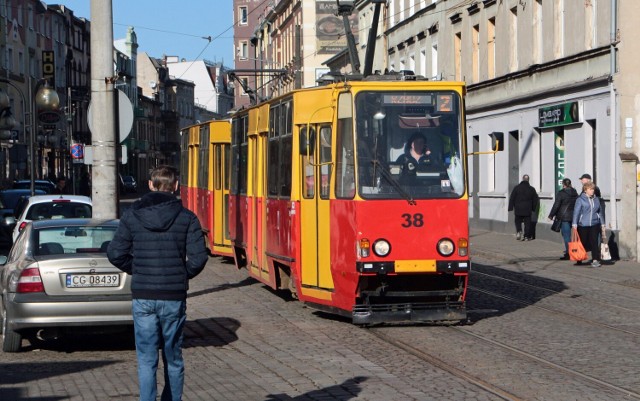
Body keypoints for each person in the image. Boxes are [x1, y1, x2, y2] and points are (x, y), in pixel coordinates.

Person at [107, 165, 208, 401]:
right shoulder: (187, 217)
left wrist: (138, 269)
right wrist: (182, 275)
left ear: (150, 185)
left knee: (146, 358)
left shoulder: (132, 215)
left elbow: (115, 253)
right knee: (173, 356)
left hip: (143, 295)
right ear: (176, 186)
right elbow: (199, 258)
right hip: (173, 295)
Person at [572, 181, 605, 267]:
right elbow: (576, 212)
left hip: (594, 223)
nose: (592, 191)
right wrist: (574, 224)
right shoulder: (580, 199)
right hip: (583, 224)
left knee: (594, 242)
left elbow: (600, 212)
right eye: (590, 189)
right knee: (583, 242)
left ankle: (595, 260)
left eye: (593, 189)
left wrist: (602, 223)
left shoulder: (596, 199)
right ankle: (579, 258)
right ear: (585, 190)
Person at [548, 178, 579, 260]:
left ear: (563, 184)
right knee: (573, 235)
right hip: (574, 216)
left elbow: (556, 205)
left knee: (566, 236)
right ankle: (574, 251)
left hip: (564, 217)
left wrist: (551, 215)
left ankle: (569, 253)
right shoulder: (575, 193)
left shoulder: (561, 193)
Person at [508, 174, 539, 241]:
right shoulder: (531, 189)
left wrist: (510, 207)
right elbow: (535, 199)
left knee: (517, 221)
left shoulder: (517, 188)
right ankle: (526, 236)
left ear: (522, 179)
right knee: (527, 222)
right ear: (528, 180)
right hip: (528, 209)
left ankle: (519, 231)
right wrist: (533, 208)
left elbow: (512, 197)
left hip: (518, 208)